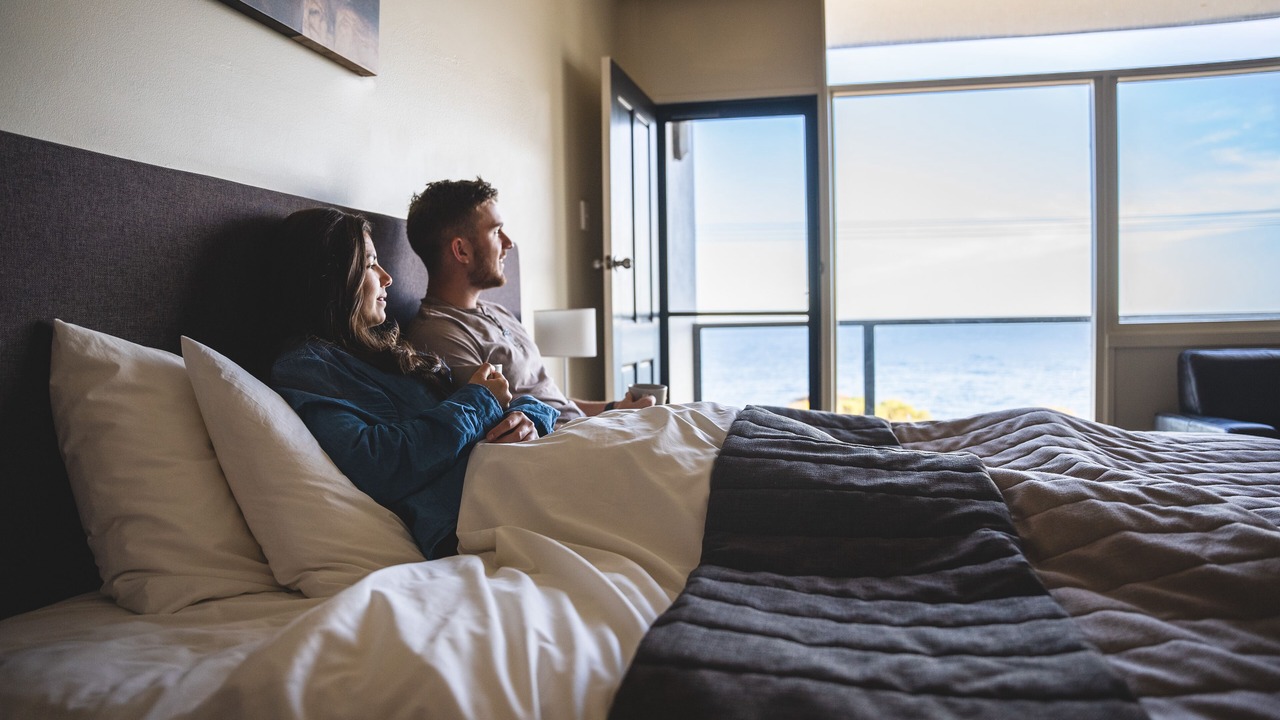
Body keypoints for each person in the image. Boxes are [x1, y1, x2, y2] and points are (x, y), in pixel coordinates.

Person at [267, 207, 559, 560]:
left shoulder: (386, 351)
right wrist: (480, 400)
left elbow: (516, 402)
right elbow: (374, 463)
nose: (387, 277)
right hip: (479, 507)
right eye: (371, 264)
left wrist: (531, 420)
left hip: (514, 470)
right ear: (331, 276)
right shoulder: (306, 368)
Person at [403, 178, 654, 424]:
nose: (509, 243)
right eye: (496, 231)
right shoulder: (439, 335)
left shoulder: (498, 311)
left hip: (581, 431)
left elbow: (550, 401)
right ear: (461, 251)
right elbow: (498, 427)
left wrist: (615, 408)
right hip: (561, 446)